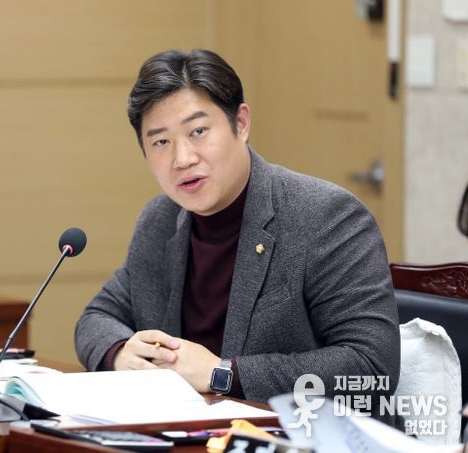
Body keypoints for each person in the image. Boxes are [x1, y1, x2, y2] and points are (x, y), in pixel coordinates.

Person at [74, 49, 400, 421]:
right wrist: (121, 353)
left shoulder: (325, 216)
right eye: (161, 142)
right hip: (189, 434)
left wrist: (223, 374)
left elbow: (371, 366)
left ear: (241, 124)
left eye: (198, 132)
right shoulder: (160, 219)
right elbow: (97, 317)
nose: (182, 158)